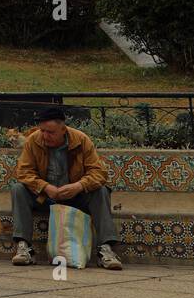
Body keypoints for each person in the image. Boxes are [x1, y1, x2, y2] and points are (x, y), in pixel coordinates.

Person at [10, 106, 122, 270]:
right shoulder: (34, 140)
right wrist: (45, 187)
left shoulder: (81, 140)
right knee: (18, 189)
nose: (45, 136)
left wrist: (79, 186)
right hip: (45, 197)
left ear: (63, 129)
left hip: (76, 198)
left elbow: (99, 172)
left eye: (51, 132)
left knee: (101, 191)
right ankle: (24, 248)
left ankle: (106, 250)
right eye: (43, 131)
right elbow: (23, 172)